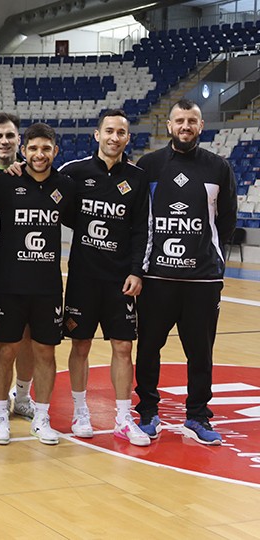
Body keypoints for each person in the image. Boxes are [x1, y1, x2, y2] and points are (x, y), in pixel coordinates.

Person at [135, 99, 237, 445]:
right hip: (157, 277)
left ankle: (197, 416)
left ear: (200, 126)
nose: (185, 126)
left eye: (192, 121)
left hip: (202, 280)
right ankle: (148, 410)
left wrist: (215, 259)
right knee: (148, 347)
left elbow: (226, 219)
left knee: (200, 351)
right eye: (180, 120)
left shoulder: (218, 167)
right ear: (169, 125)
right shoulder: (149, 165)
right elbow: (139, 219)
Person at [58, 109, 151, 446]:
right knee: (80, 345)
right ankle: (81, 411)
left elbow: (142, 229)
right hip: (83, 278)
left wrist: (136, 271)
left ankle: (124, 418)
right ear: (96, 135)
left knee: (123, 347)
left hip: (120, 280)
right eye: (109, 131)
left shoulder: (137, 179)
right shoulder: (73, 172)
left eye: (121, 132)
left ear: (128, 138)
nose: (115, 137)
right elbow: (51, 199)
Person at [0, 122, 75, 445]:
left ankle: (42, 416)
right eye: (33, 149)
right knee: (6, 349)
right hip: (9, 284)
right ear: (23, 151)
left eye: (46, 149)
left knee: (45, 352)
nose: (40, 155)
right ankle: (0, 414)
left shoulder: (65, 186)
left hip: (48, 286)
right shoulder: (6, 182)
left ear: (55, 151)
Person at [0, 112, 36, 420]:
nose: (4, 141)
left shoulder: (34, 173)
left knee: (26, 336)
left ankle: (23, 396)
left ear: (19, 139)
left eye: (10, 136)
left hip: (24, 269)